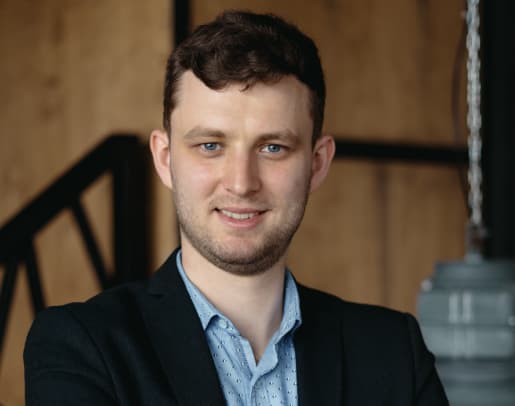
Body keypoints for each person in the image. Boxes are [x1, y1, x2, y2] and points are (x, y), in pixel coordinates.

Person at [24, 10, 448, 406]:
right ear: (165, 159)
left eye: (273, 147)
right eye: (210, 145)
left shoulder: (393, 352)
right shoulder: (82, 346)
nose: (242, 183)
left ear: (317, 164)